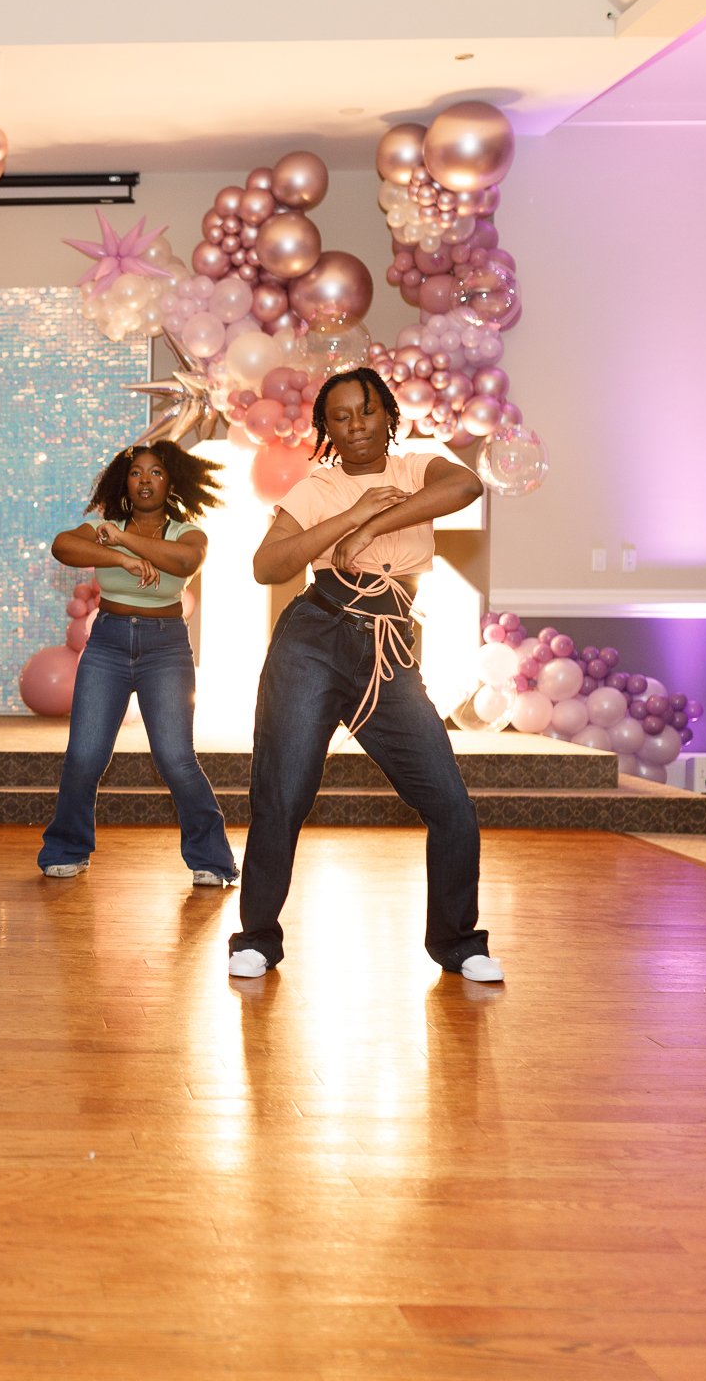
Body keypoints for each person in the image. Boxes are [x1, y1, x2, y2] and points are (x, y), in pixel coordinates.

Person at [231, 366, 500, 983]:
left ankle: (458, 943)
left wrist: (377, 524)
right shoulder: (315, 488)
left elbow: (466, 487)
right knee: (282, 794)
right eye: (340, 417)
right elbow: (267, 566)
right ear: (325, 427)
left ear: (388, 416)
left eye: (366, 412)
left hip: (390, 651)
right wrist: (350, 517)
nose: (355, 427)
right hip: (314, 639)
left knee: (449, 805)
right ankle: (256, 939)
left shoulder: (415, 469)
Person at [37, 441, 239, 886]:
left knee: (175, 758)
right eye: (136, 473)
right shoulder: (101, 529)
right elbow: (62, 546)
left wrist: (127, 540)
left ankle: (212, 859)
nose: (145, 480)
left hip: (165, 648)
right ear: (124, 482)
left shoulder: (189, 532)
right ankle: (68, 847)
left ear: (172, 482)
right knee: (84, 756)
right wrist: (120, 558)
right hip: (107, 643)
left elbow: (186, 561)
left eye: (156, 473)